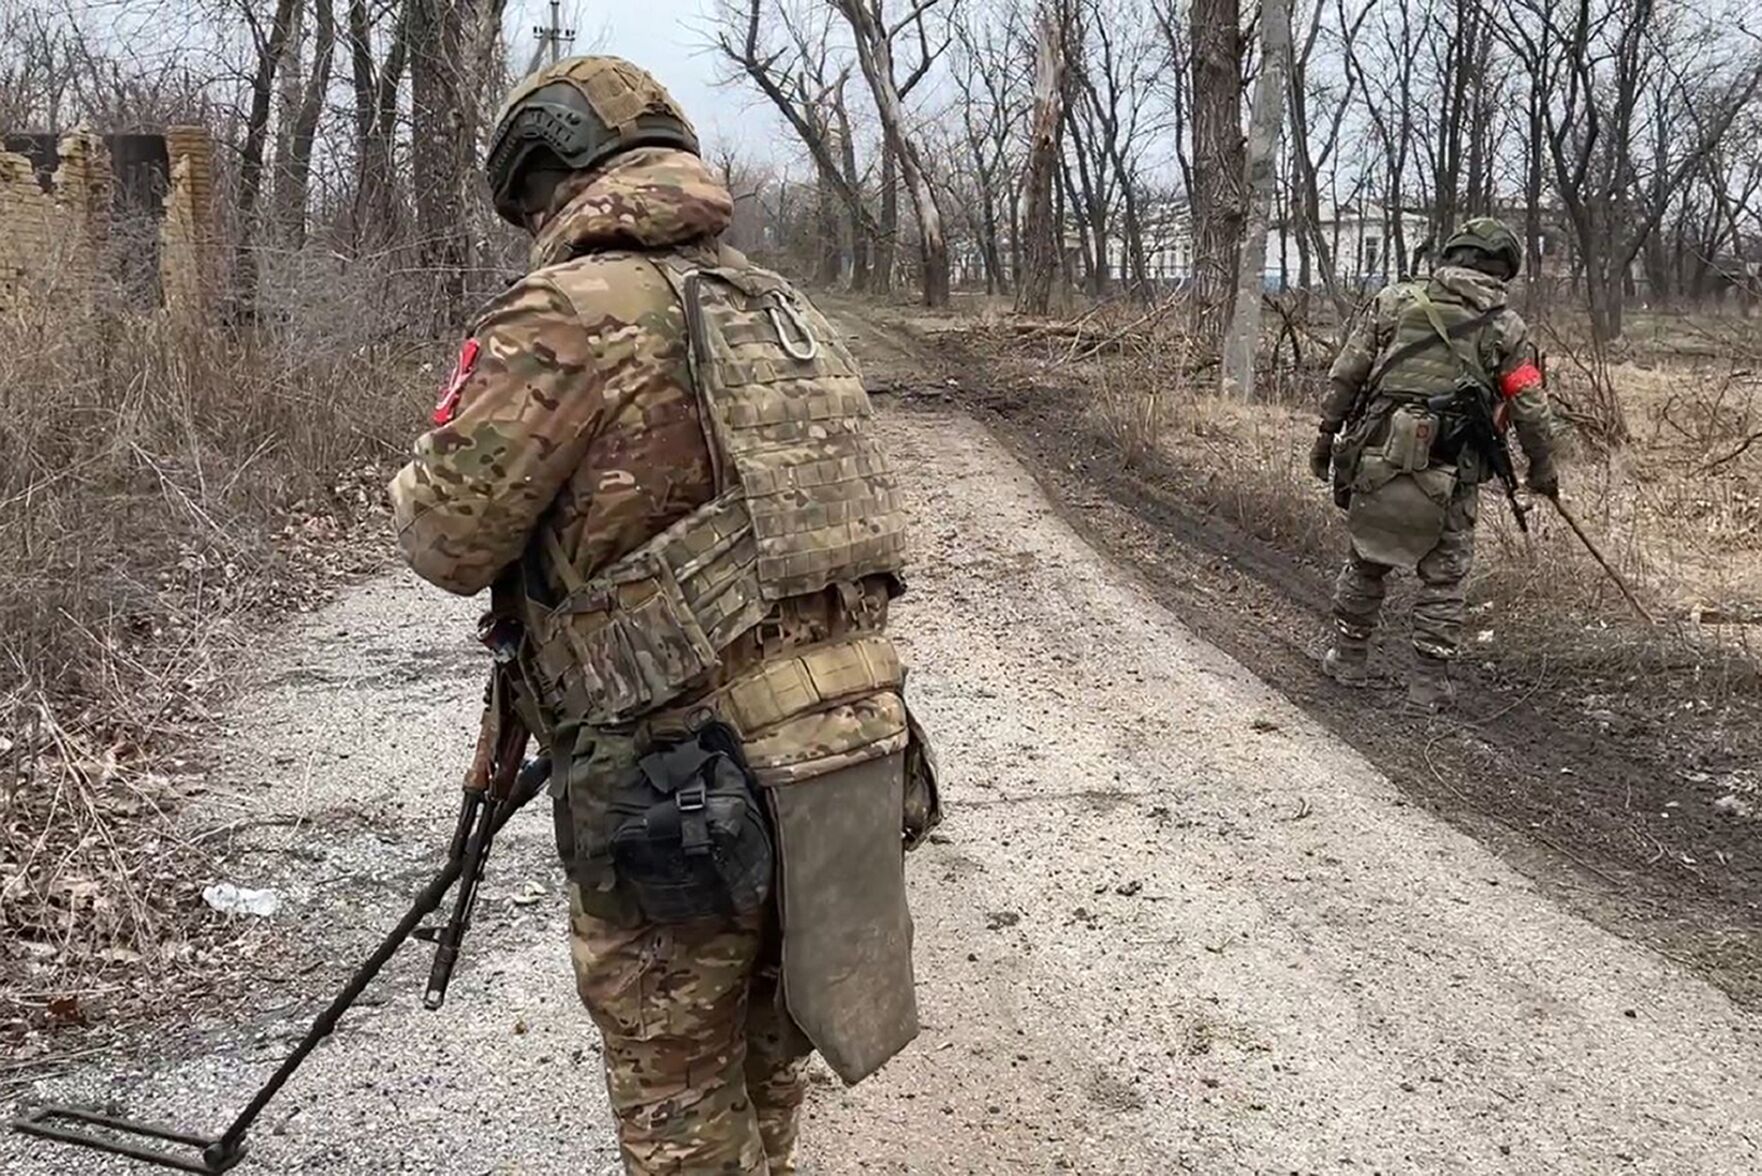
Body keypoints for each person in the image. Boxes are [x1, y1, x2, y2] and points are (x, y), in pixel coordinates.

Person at [388, 56, 940, 1174]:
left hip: (682, 781)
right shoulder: (779, 309)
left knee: (679, 1106)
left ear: (544, 180)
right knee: (761, 1058)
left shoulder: (569, 312)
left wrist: (414, 474)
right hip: (845, 750)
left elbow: (444, 542)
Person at [1309, 217, 1562, 709]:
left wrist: (1325, 436)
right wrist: (1543, 468)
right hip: (1454, 466)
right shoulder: (1507, 328)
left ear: (1451, 256)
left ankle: (1347, 657)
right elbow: (1529, 405)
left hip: (1378, 452)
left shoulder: (1393, 302)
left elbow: (1347, 374)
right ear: (1504, 268)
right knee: (1444, 574)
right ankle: (1427, 683)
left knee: (1367, 554)